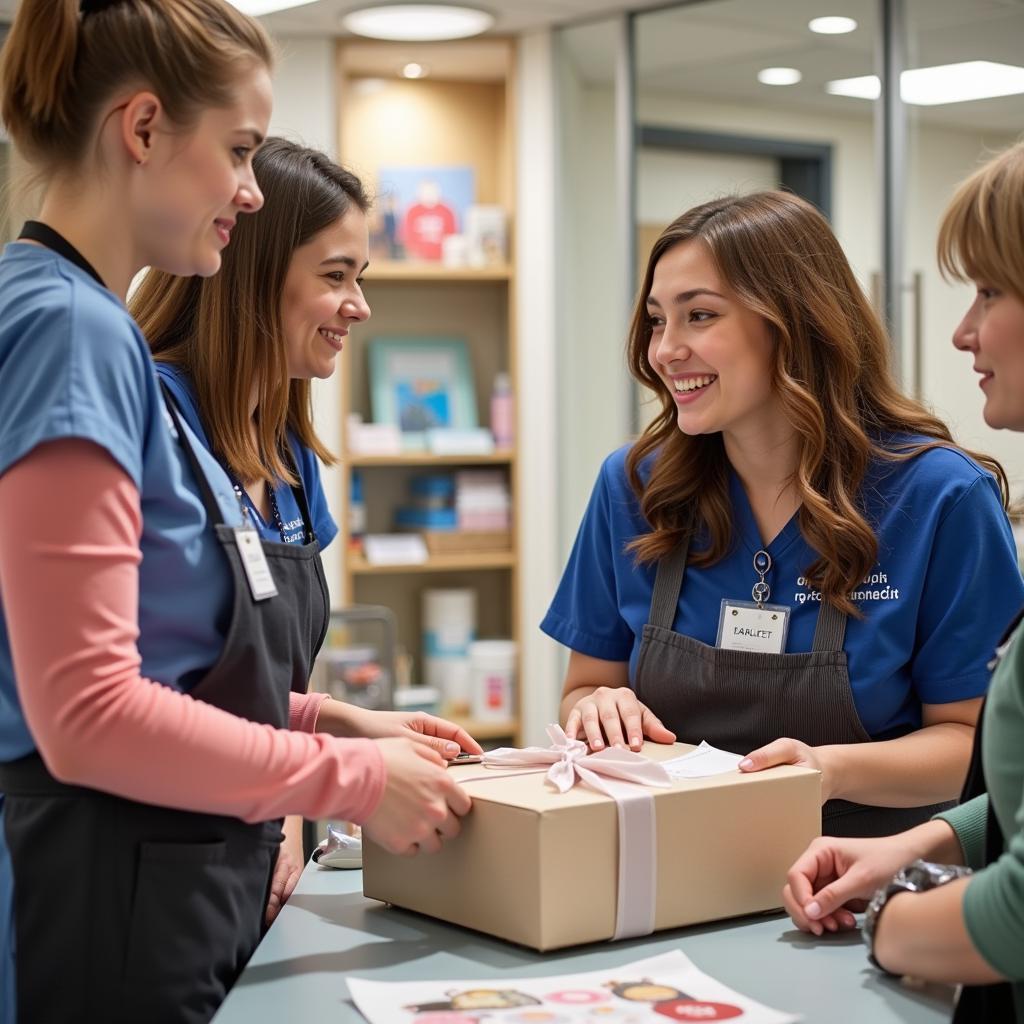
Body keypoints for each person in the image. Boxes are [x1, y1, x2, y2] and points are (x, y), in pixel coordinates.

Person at [0, 3, 469, 1022]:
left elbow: (151, 668)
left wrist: (322, 719)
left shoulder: (70, 317)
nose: (249, 192)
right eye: (241, 151)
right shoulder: (71, 328)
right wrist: (344, 777)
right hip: (95, 895)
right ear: (142, 129)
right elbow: (84, 716)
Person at [544, 190, 1024, 838]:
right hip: (674, 863)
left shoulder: (938, 497)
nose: (665, 350)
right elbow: (584, 687)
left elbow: (973, 743)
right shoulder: (634, 486)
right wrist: (597, 705)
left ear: (794, 322)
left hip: (863, 881)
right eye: (658, 321)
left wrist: (824, 770)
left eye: (700, 316)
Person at [129, 137, 483, 922]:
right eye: (335, 276)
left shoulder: (286, 450)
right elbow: (137, 699)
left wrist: (335, 723)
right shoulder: (148, 422)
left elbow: (238, 686)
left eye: (360, 277)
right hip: (146, 866)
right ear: (252, 275)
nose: (359, 306)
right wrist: (321, 773)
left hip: (253, 849)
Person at [784, 141, 1024, 1023]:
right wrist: (926, 847)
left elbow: (1017, 914)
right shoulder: (637, 483)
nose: (963, 330)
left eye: (991, 292)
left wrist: (891, 918)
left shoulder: (936, 494)